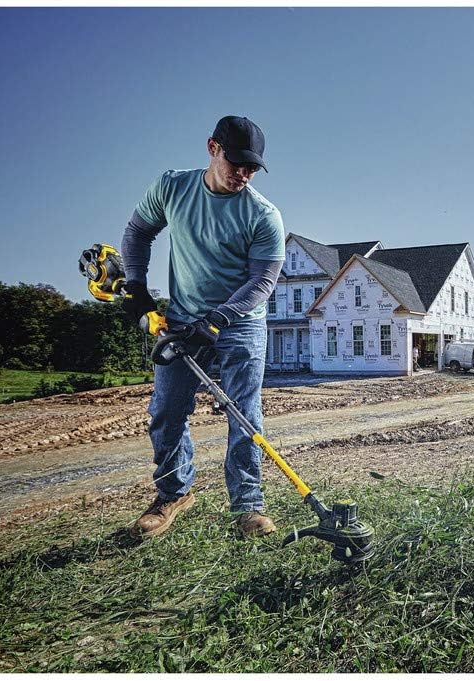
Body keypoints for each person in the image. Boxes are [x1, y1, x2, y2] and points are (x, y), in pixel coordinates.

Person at [120, 115, 285, 539]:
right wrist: (137, 288)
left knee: (243, 415)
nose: (243, 174)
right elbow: (138, 232)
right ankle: (173, 494)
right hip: (180, 317)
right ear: (213, 148)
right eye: (237, 163)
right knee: (166, 412)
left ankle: (248, 507)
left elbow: (262, 283)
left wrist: (214, 322)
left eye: (252, 167)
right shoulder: (173, 188)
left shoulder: (263, 216)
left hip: (240, 324)